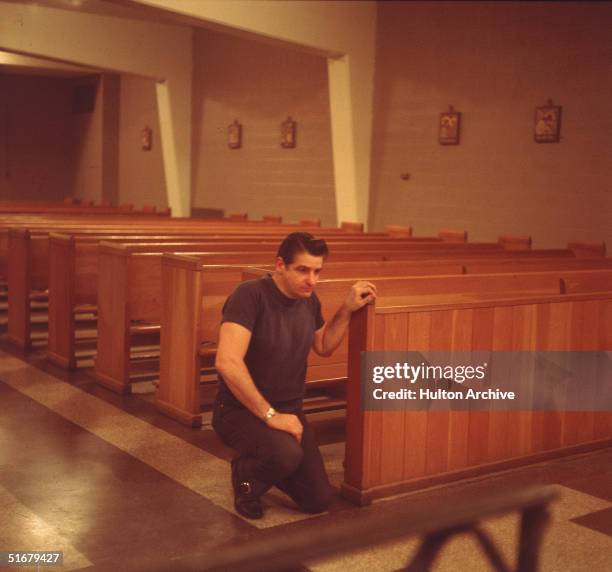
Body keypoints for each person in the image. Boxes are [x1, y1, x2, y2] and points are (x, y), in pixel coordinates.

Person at [212, 232, 377, 519]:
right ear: (280, 265)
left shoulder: (308, 301)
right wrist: (271, 416)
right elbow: (227, 362)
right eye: (302, 270)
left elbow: (324, 345)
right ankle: (246, 477)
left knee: (318, 499)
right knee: (285, 455)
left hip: (289, 411)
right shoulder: (250, 295)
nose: (311, 280)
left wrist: (347, 309)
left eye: (317, 272)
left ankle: (272, 459)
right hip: (239, 411)